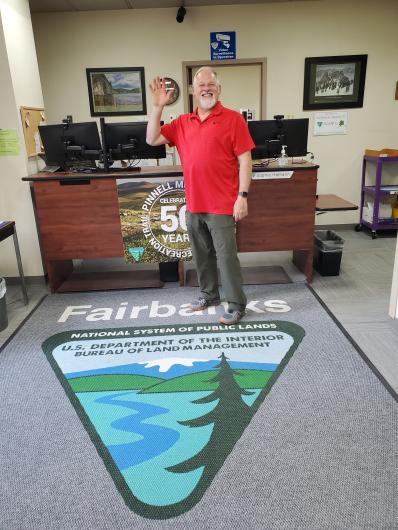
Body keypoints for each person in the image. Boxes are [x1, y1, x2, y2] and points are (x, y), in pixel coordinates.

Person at [146, 66, 255, 325]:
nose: (206, 88)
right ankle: (208, 295)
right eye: (201, 85)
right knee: (202, 254)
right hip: (195, 202)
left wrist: (243, 195)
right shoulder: (183, 122)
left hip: (223, 203)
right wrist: (158, 106)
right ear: (194, 91)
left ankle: (237, 304)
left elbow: (246, 160)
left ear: (219, 89)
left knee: (226, 256)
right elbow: (151, 139)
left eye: (211, 84)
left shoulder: (233, 120)